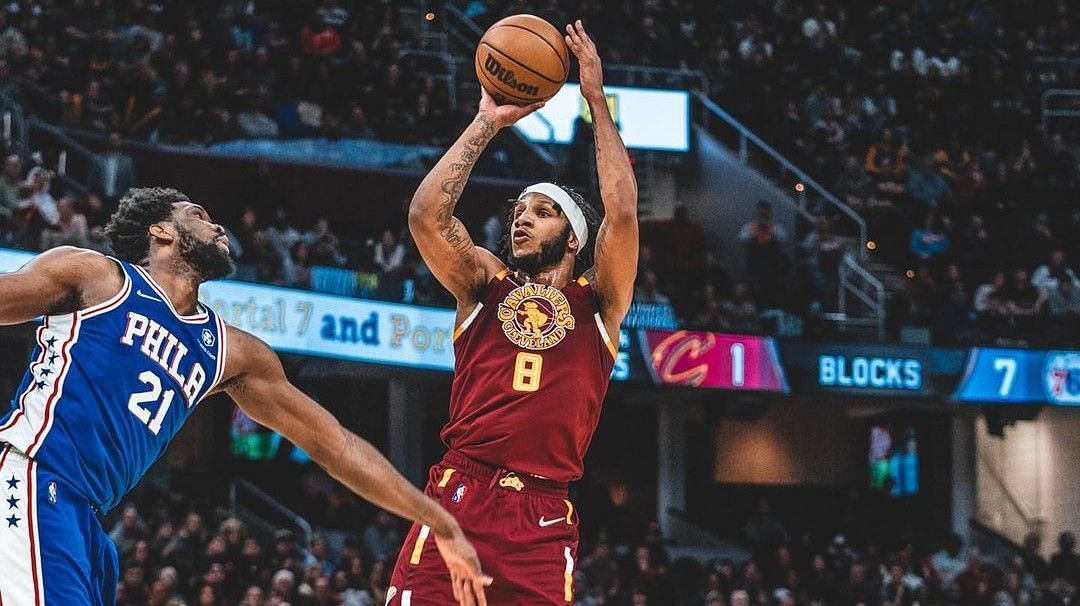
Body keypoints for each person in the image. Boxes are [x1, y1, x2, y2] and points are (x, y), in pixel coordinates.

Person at [0, 187, 488, 605]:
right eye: (198, 215)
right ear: (161, 232)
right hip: (32, 474)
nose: (217, 225)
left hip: (88, 519)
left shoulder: (230, 352)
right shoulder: (98, 278)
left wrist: (439, 523)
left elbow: (335, 444)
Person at [390, 20, 637, 604]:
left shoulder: (598, 303)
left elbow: (622, 212)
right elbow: (426, 215)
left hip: (543, 513)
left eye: (542, 211)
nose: (520, 219)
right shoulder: (482, 283)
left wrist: (596, 100)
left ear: (573, 238)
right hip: (460, 493)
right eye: (518, 209)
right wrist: (486, 122)